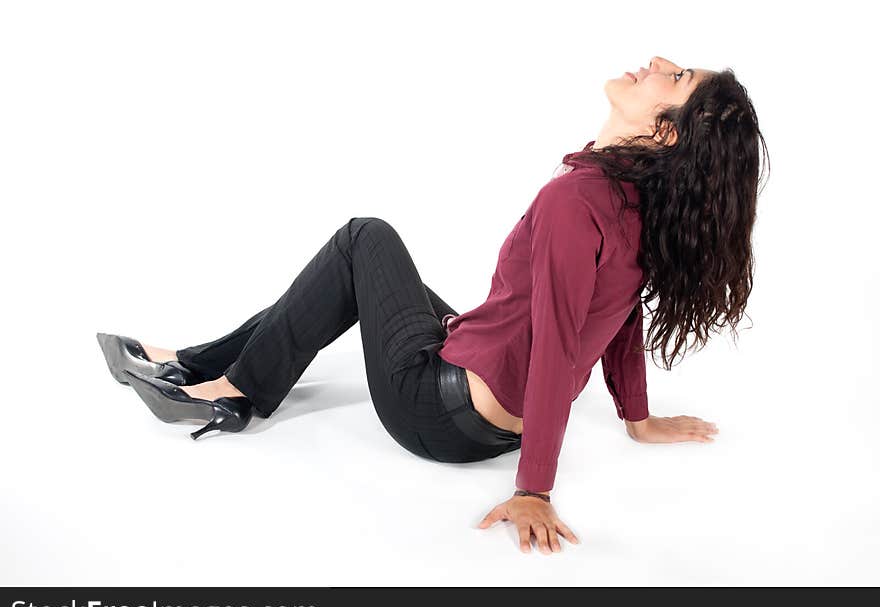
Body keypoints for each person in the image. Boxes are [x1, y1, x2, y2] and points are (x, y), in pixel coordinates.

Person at [98, 56, 768, 555]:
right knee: (365, 279)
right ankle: (189, 360)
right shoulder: (631, 200)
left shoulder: (577, 201)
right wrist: (637, 417)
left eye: (675, 77)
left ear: (667, 130)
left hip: (440, 413)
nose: (656, 63)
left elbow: (565, 338)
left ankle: (236, 389)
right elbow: (618, 314)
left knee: (364, 239)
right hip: (489, 404)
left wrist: (534, 488)